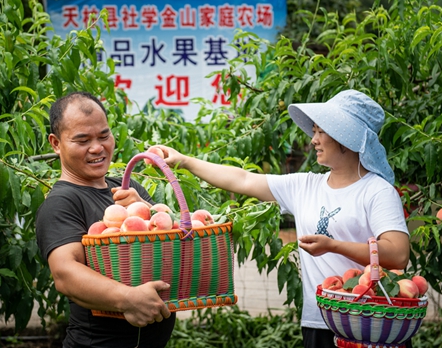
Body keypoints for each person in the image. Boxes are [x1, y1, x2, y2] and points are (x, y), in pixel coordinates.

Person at [153, 90, 411, 348]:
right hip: (319, 323)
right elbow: (242, 179)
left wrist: (333, 246)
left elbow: (398, 254)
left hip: (371, 322)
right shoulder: (306, 186)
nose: (313, 140)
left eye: (321, 132)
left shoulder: (377, 191)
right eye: (314, 131)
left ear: (345, 137)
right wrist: (184, 161)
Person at [36, 91, 175, 347]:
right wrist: (127, 299)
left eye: (104, 135)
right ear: (56, 144)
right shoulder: (62, 202)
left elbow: (169, 241)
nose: (97, 147)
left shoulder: (127, 188)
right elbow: (65, 273)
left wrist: (145, 208)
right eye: (82, 140)